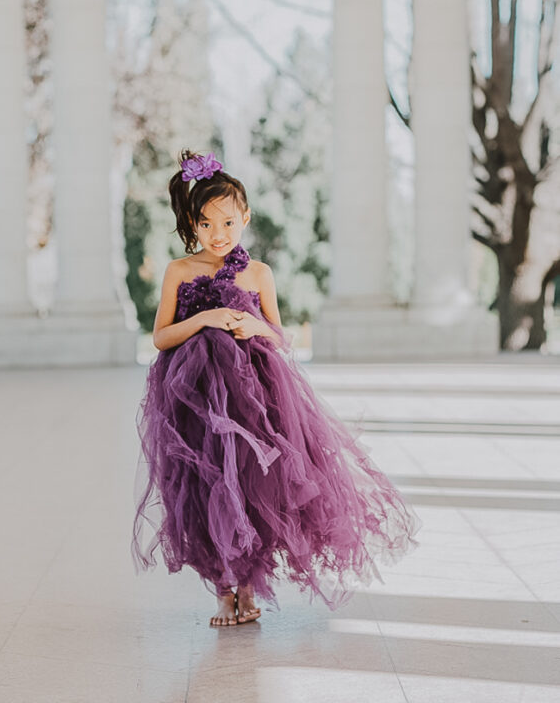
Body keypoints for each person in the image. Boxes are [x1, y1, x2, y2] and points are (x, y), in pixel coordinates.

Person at [131, 149, 420, 628]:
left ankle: (248, 585)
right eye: (205, 224)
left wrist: (254, 326)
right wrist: (204, 318)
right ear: (191, 224)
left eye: (228, 222)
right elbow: (161, 336)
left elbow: (281, 337)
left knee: (252, 488)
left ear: (245, 217)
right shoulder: (179, 271)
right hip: (198, 400)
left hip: (256, 399)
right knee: (207, 488)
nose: (218, 234)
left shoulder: (258, 272)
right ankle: (223, 592)